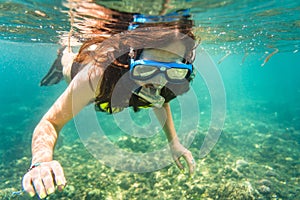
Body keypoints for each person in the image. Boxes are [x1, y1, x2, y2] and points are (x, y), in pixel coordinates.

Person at [22, 1, 199, 199]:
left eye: (173, 71)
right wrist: (41, 161)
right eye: (147, 69)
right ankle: (64, 52)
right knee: (68, 67)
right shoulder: (99, 74)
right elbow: (50, 122)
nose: (158, 82)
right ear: (132, 58)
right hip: (88, 79)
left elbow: (159, 100)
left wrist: (173, 143)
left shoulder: (168, 79)